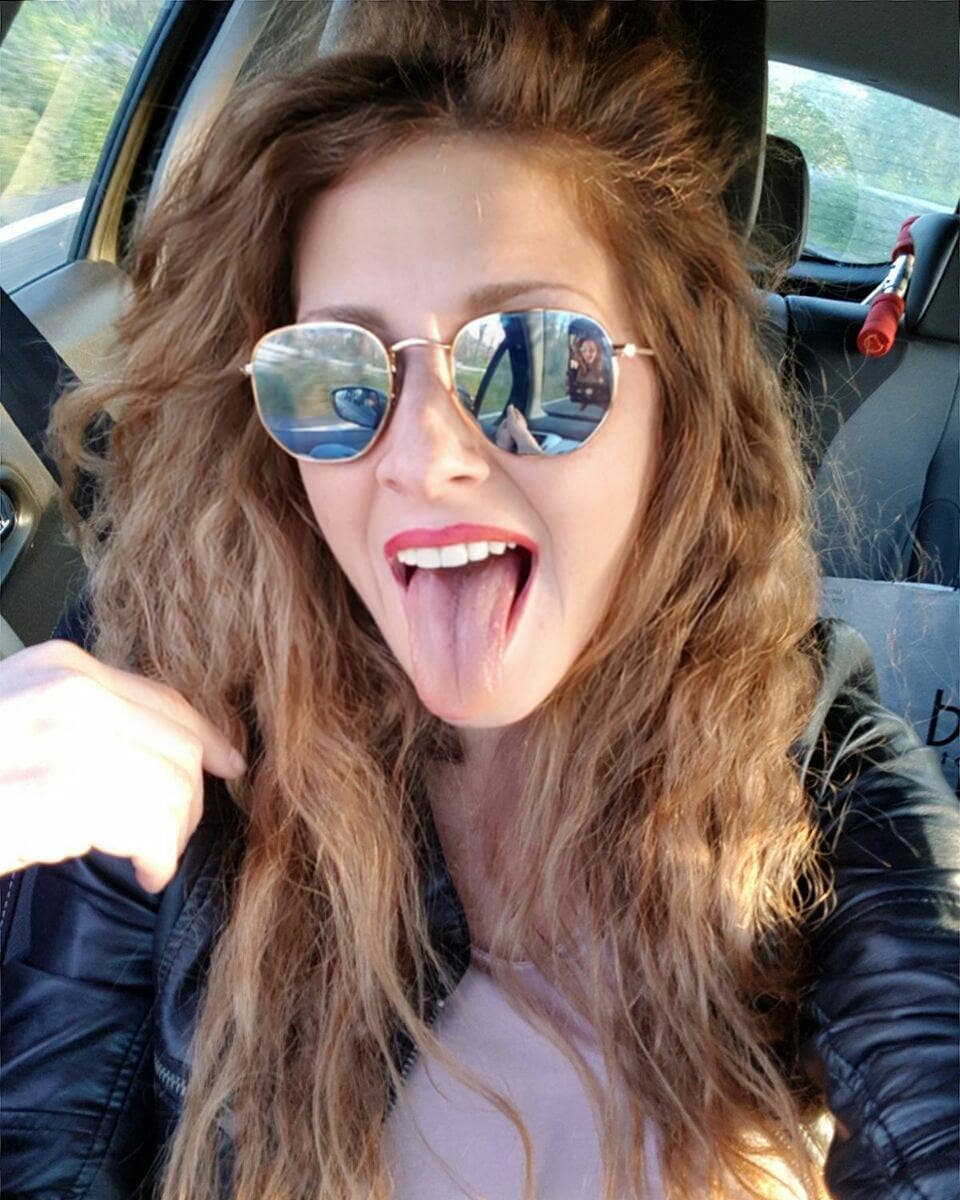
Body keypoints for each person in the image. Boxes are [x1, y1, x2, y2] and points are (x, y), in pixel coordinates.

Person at [1, 4, 956, 1200]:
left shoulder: (821, 764)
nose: (425, 455)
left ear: (679, 400)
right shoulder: (165, 698)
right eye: (332, 375)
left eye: (538, 363)